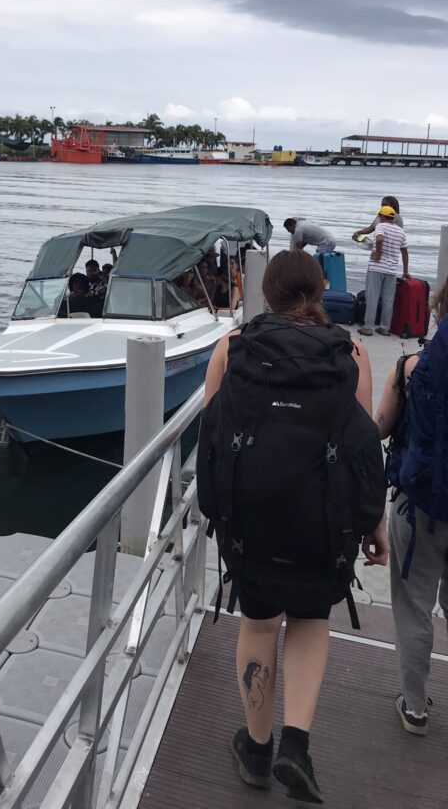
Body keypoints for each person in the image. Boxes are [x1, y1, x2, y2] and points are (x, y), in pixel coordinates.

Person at [198, 250, 387, 803]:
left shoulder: (232, 349)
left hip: (251, 522)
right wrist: (374, 522)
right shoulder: (350, 353)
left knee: (258, 624)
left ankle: (256, 748)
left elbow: (213, 440)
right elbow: (361, 451)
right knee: (308, 620)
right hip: (324, 525)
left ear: (268, 294)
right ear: (322, 289)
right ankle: (296, 746)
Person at [374, 280, 448, 737]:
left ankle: (415, 708)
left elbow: (379, 427)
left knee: (415, 607)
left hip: (417, 507)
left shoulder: (411, 367)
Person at [358, 205, 409, 337]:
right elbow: (404, 253)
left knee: (372, 297)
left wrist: (378, 254)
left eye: (379, 216)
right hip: (392, 270)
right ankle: (384, 327)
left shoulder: (381, 226)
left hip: (376, 268)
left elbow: (379, 239)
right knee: (388, 300)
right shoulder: (401, 231)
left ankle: (368, 327)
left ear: (382, 216)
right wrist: (405, 271)